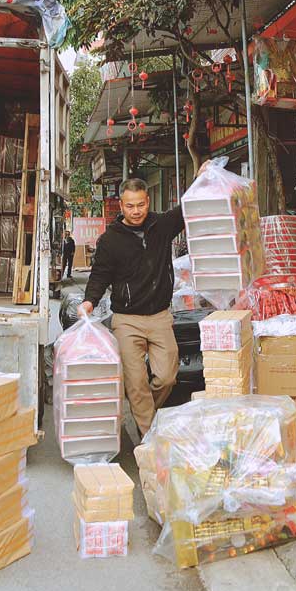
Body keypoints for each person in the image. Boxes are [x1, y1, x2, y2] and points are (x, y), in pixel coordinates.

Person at [80, 178, 185, 435]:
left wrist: (203, 176)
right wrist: (89, 300)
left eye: (140, 205)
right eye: (130, 206)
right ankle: (149, 438)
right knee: (136, 383)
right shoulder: (110, 240)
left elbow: (187, 208)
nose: (136, 211)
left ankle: (145, 415)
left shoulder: (162, 226)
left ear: (147, 202)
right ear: (121, 205)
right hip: (127, 320)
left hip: (160, 316)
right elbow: (100, 275)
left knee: (167, 376)